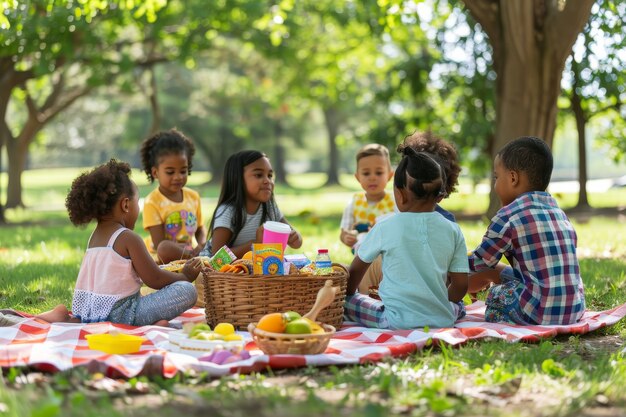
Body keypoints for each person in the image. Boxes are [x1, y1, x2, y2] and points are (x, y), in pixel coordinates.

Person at [67, 159, 203, 326]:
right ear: (125, 204)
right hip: (124, 315)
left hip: (90, 313)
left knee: (146, 296)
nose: (138, 209)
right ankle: (147, 323)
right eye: (137, 202)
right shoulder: (128, 238)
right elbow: (154, 278)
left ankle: (154, 323)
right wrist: (184, 276)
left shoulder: (94, 238)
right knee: (187, 290)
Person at [344, 148, 469, 329]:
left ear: (400, 195)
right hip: (442, 318)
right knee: (459, 305)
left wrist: (349, 295)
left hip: (394, 320)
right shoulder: (453, 230)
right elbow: (461, 286)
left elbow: (355, 272)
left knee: (345, 302)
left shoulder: (385, 227)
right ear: (440, 196)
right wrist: (436, 306)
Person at [468, 136, 585, 325]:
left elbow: (477, 263)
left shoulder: (507, 216)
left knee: (495, 295)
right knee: (499, 271)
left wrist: (447, 269)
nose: (495, 184)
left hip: (538, 313)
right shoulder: (559, 212)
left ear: (513, 178)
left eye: (497, 177)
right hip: (574, 310)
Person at [359, 132, 463, 295]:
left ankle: (366, 297)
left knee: (372, 262)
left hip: (398, 304)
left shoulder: (389, 224)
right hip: (437, 306)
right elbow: (459, 284)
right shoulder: (451, 227)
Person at [199, 150, 303, 259]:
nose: (268, 181)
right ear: (237, 178)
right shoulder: (228, 212)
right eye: (259, 175)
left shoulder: (270, 208)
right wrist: (255, 244)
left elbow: (297, 243)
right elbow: (217, 258)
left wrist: (295, 238)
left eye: (270, 175)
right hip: (215, 270)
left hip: (251, 268)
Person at [140, 129, 207, 264]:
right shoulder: (152, 202)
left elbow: (200, 229)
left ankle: (196, 259)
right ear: (155, 172)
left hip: (190, 252)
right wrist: (187, 252)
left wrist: (201, 245)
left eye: (183, 171)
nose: (178, 177)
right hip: (164, 259)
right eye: (170, 172)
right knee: (165, 248)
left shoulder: (193, 197)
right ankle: (193, 260)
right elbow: (160, 245)